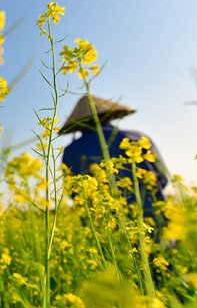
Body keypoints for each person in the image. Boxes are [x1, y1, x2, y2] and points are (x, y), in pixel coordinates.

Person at [61, 95, 169, 233]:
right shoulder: (138, 138)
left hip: (103, 229)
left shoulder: (71, 151)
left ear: (79, 124)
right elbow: (163, 177)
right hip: (155, 220)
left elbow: (73, 193)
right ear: (109, 116)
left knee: (111, 254)